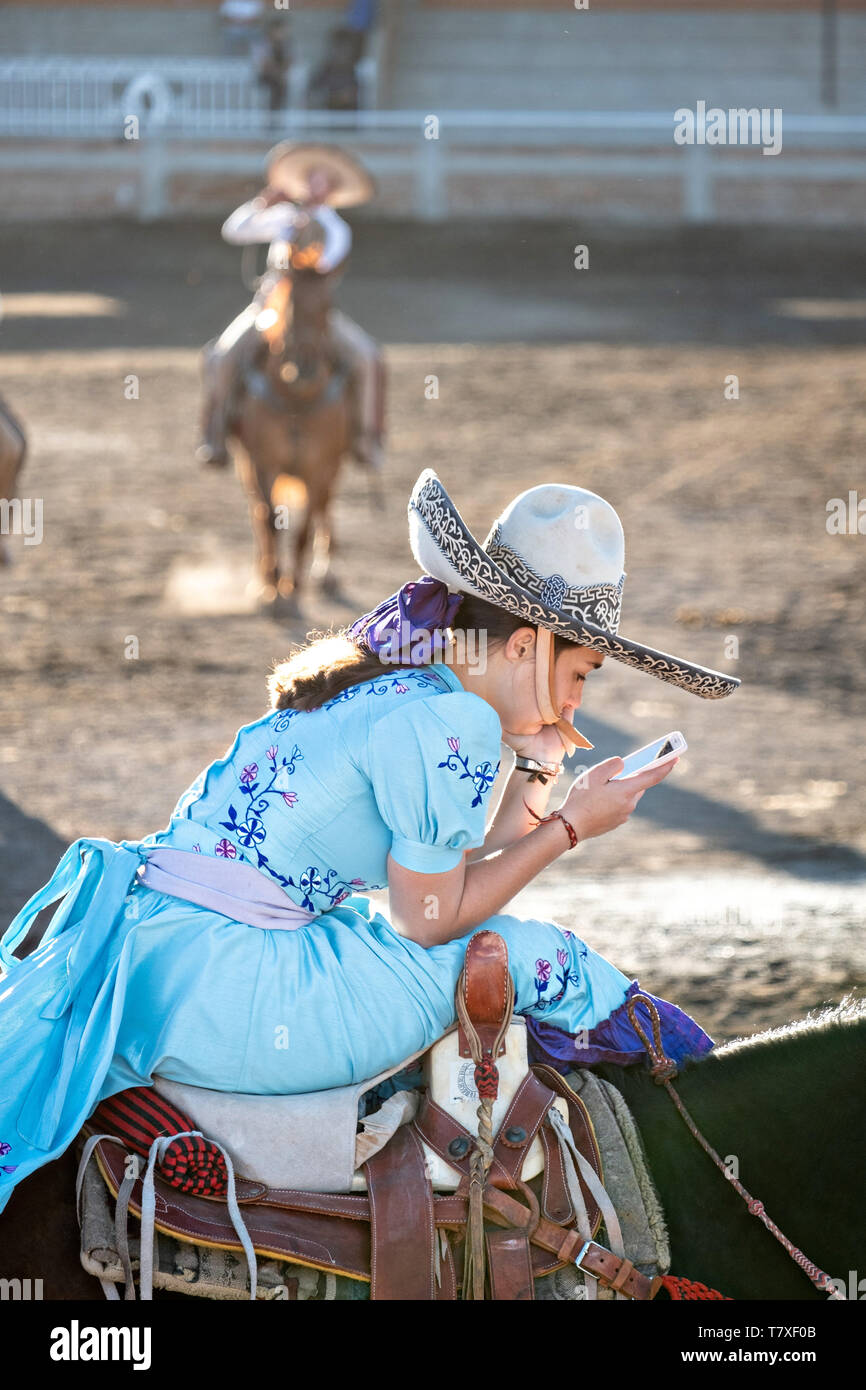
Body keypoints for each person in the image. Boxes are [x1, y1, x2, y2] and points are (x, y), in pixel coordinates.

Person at [0, 469, 739, 1213]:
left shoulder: (401, 684)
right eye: (579, 673)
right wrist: (574, 828)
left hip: (159, 957)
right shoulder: (456, 725)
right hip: (235, 989)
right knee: (546, 957)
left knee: (488, 946)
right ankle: (726, 1127)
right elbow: (428, 918)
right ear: (526, 647)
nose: (579, 700)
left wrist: (545, 766)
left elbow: (453, 856)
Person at [197, 142, 384, 472]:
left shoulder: (338, 229)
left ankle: (367, 440)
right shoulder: (283, 217)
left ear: (333, 189)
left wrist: (301, 240)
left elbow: (323, 265)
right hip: (269, 309)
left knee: (368, 357)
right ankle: (215, 435)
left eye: (322, 179)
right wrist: (262, 204)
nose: (314, 184)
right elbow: (234, 230)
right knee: (222, 355)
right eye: (311, 177)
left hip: (315, 314)